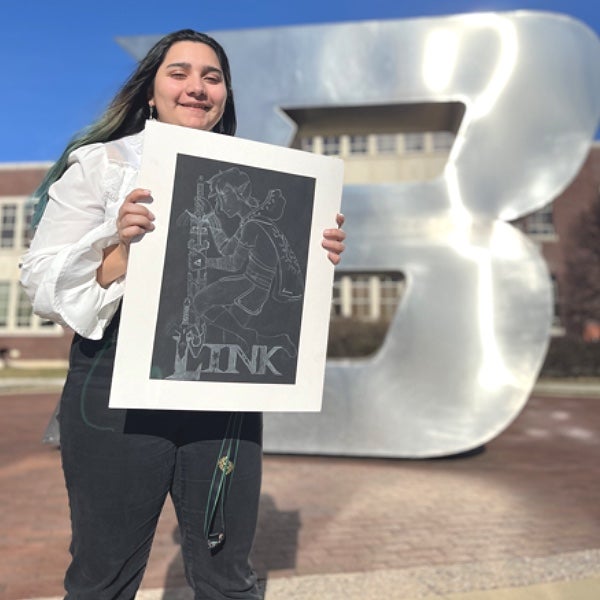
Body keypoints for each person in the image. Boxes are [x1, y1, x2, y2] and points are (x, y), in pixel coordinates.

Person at [19, 29, 346, 600]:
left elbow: (276, 282)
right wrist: (119, 249)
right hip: (116, 379)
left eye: (211, 77)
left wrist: (322, 254)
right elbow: (41, 283)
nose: (196, 87)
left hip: (223, 382)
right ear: (150, 90)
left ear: (225, 95)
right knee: (103, 578)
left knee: (228, 576)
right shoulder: (102, 165)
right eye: (179, 73)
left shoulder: (260, 179)